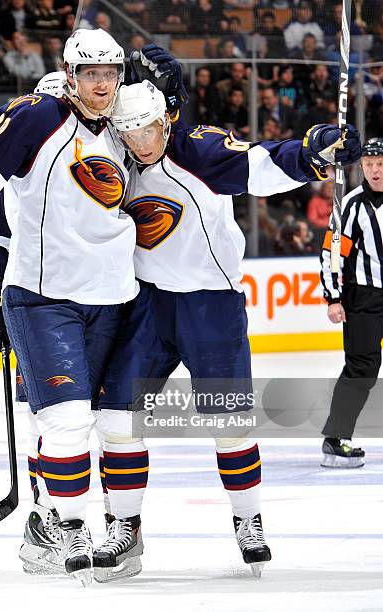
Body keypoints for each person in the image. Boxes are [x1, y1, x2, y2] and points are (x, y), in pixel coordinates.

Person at [90, 81, 361, 581]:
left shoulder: (199, 149)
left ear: (165, 119)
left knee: (229, 422)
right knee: (116, 415)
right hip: (146, 301)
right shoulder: (112, 154)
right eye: (129, 132)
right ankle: (124, 526)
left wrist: (312, 151)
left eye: (148, 129)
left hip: (210, 304)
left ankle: (248, 519)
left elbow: (262, 163)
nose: (141, 142)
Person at [0, 28, 135, 587]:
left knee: (107, 422)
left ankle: (66, 522)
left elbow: (181, 153)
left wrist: (175, 92)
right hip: (43, 296)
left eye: (109, 73)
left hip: (113, 295)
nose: (101, 84)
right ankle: (65, 524)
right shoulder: (36, 118)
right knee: (65, 418)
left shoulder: (124, 118)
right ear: (68, 74)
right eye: (89, 73)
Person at [320, 138, 383, 468]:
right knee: (361, 368)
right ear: (361, 167)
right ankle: (336, 438)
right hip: (365, 298)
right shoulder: (352, 206)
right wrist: (333, 297)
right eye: (369, 164)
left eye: (380, 163)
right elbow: (332, 255)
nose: (374, 170)